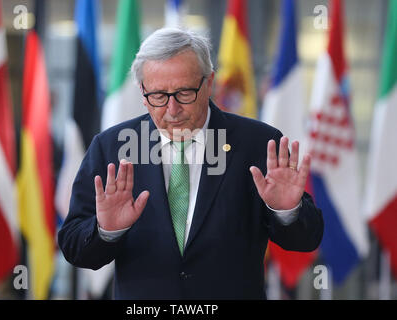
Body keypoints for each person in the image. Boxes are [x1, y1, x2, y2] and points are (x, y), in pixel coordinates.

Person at [58, 28, 323, 300]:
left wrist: (287, 211)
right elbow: (74, 247)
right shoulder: (111, 147)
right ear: (142, 90)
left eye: (184, 93)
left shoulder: (259, 144)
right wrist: (107, 231)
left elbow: (306, 241)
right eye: (158, 96)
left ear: (209, 83)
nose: (173, 110)